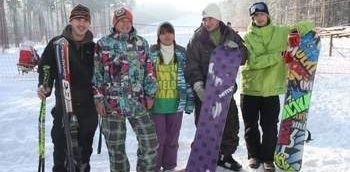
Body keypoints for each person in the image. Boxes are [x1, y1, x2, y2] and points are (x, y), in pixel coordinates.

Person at [240, 2, 314, 171]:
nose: (259, 18)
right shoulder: (247, 37)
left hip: (271, 89)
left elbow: (309, 24)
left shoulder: (281, 32)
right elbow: (254, 61)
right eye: (255, 16)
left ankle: (267, 158)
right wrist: (279, 55)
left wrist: (296, 30)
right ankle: (253, 155)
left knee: (270, 126)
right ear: (252, 18)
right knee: (251, 125)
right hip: (250, 87)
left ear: (267, 15)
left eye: (261, 14)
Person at [93, 7, 158, 172]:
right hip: (112, 106)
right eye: (121, 21)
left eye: (128, 21)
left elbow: (150, 70)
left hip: (138, 103)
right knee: (116, 152)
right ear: (115, 23)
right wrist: (99, 99)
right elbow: (96, 74)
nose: (125, 24)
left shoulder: (141, 43)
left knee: (150, 144)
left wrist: (150, 95)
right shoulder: (103, 44)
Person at [185, 3, 247, 171]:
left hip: (225, 90)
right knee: (205, 124)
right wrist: (197, 84)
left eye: (210, 18)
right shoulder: (197, 38)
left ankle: (225, 156)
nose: (207, 22)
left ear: (218, 18)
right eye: (204, 19)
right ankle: (205, 155)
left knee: (230, 123)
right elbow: (191, 64)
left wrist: (238, 50)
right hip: (205, 90)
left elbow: (244, 57)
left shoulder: (230, 34)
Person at [37, 4, 98, 172]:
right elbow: (46, 68)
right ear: (71, 21)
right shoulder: (57, 44)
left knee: (84, 155)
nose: (82, 23)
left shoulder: (93, 48)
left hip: (88, 110)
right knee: (62, 154)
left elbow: (101, 77)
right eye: (78, 19)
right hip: (64, 108)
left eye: (85, 20)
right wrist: (45, 86)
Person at [149, 22, 194, 172]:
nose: (167, 36)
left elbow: (188, 77)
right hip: (157, 104)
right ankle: (155, 167)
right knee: (158, 139)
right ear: (158, 36)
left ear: (174, 35)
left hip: (176, 103)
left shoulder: (181, 52)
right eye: (163, 33)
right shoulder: (152, 52)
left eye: (170, 32)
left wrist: (189, 100)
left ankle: (169, 166)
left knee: (173, 138)